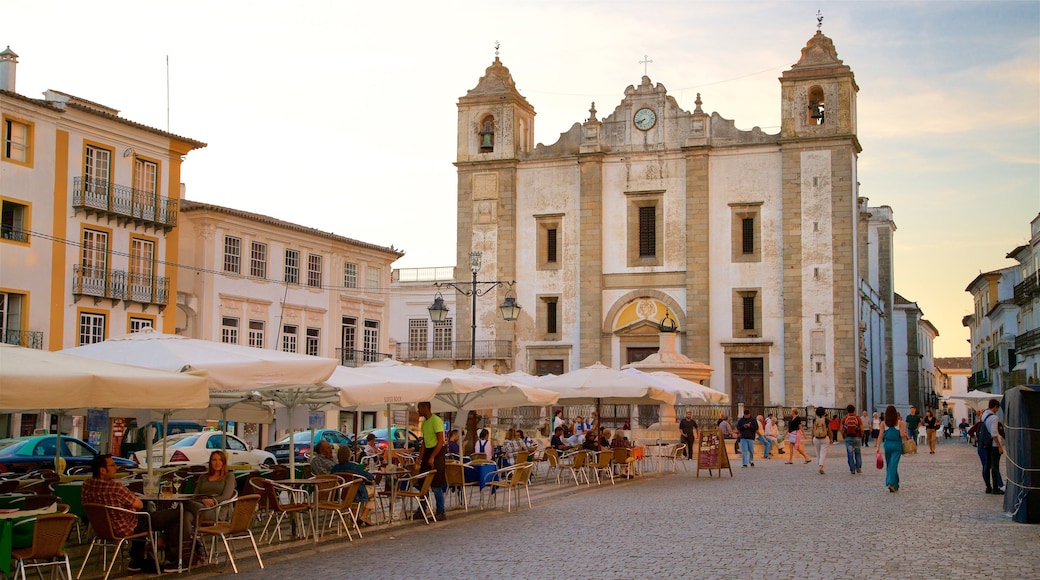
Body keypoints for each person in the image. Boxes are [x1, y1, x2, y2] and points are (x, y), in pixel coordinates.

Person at [83, 454, 184, 571]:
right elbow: (139, 504)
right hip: (126, 527)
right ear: (102, 470)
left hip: (102, 529)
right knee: (177, 515)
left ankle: (137, 559)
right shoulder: (116, 488)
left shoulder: (86, 486)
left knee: (142, 516)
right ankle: (170, 560)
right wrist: (132, 508)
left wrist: (130, 508)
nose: (116, 467)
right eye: (112, 465)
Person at [416, 401, 447, 520]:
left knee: (436, 484)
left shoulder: (436, 421)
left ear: (426, 408)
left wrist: (433, 456)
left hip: (437, 452)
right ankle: (422, 509)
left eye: (420, 408)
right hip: (428, 451)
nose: (418, 410)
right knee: (422, 482)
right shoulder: (424, 423)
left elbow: (440, 441)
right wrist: (420, 458)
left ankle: (441, 511)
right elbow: (424, 442)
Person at [331, 445, 375, 525]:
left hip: (341, 494)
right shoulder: (354, 467)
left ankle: (354, 516)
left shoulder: (334, 468)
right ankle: (364, 515)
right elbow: (370, 477)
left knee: (354, 495)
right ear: (349, 455)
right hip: (356, 493)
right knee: (374, 491)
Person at [186, 450, 236, 520]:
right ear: (210, 462)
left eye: (220, 460)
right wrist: (203, 501)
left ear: (224, 463)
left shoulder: (229, 476)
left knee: (185, 503)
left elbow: (226, 496)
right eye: (214, 460)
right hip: (200, 506)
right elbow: (195, 496)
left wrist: (212, 501)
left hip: (217, 511)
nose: (217, 463)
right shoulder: (203, 477)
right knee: (185, 517)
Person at [878, 405, 906, 492]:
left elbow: (880, 436)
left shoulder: (883, 423)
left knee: (890, 464)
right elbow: (902, 435)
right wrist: (905, 435)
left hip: (887, 445)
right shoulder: (900, 423)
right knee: (893, 465)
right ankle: (891, 482)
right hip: (897, 445)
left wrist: (877, 447)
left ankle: (895, 484)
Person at [980, 398, 1005, 495]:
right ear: (994, 406)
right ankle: (995, 487)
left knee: (987, 465)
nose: (997, 410)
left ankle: (988, 487)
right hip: (993, 445)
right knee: (995, 467)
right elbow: (994, 433)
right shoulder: (994, 418)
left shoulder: (984, 415)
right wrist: (999, 446)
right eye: (997, 408)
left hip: (986, 444)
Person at [842, 405, 863, 474]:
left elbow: (841, 429)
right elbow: (861, 428)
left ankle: (852, 469)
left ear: (847, 410)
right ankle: (858, 467)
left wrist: (843, 435)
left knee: (850, 454)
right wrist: (861, 435)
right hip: (857, 437)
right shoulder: (857, 418)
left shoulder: (845, 418)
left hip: (848, 437)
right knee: (858, 453)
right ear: (854, 410)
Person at [812, 407, 832, 474]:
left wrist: (812, 437)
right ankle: (821, 466)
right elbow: (829, 430)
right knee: (823, 453)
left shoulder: (814, 420)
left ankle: (819, 465)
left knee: (818, 453)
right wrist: (831, 438)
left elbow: (812, 429)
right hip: (824, 438)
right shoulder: (826, 420)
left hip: (816, 438)